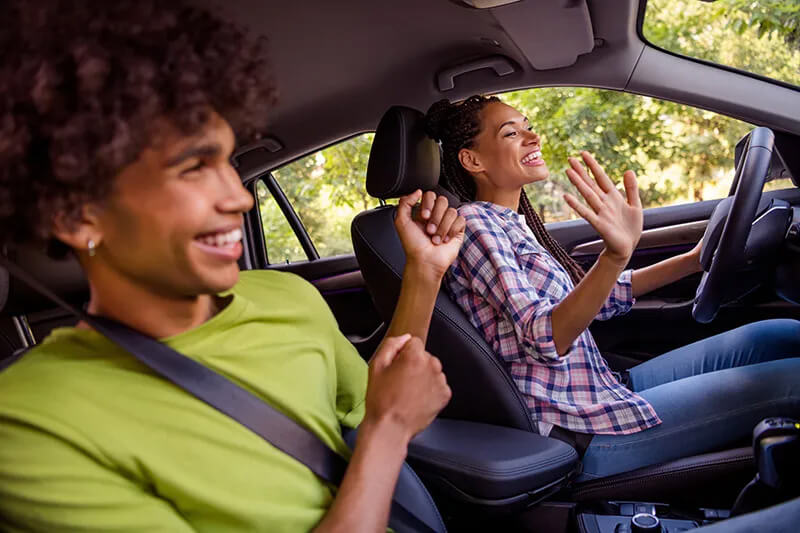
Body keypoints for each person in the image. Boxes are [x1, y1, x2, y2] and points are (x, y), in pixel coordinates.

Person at [0, 1, 465, 531]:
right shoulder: (29, 424)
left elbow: (387, 395)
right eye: (194, 168)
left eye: (227, 161)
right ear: (77, 215)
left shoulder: (287, 297)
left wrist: (424, 272)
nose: (240, 198)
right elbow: (388, 420)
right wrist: (387, 433)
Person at [424, 95, 800, 480]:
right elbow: (544, 336)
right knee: (792, 380)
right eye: (511, 133)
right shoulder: (476, 226)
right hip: (582, 426)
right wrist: (614, 256)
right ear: (472, 160)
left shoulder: (511, 223)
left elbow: (591, 300)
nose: (533, 137)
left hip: (600, 388)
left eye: (528, 126)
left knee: (779, 335)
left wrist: (693, 259)